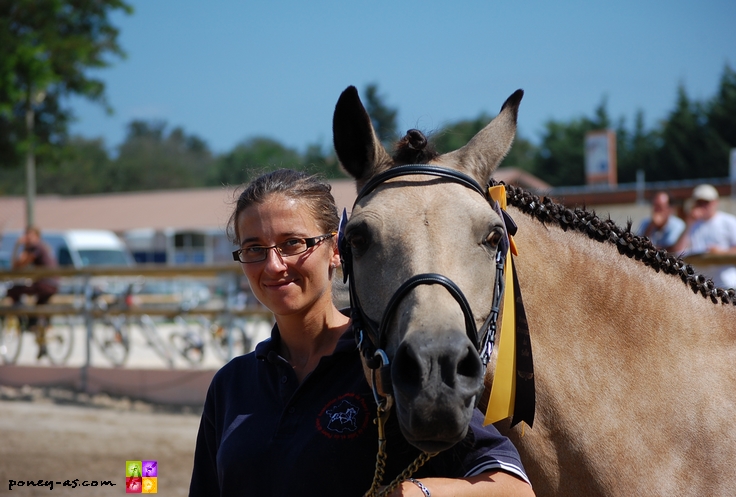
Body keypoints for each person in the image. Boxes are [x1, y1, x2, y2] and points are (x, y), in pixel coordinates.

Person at [189, 169, 535, 497]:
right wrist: (137, 479)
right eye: (254, 249)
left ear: (336, 250)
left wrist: (418, 492)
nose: (273, 265)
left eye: (292, 243)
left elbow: (513, 488)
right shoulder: (230, 384)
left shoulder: (388, 366)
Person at [672, 184, 736, 292]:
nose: (702, 206)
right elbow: (678, 251)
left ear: (715, 202)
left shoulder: (729, 221)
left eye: (706, 202)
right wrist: (689, 223)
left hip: (727, 286)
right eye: (699, 202)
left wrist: (721, 253)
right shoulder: (691, 224)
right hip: (700, 287)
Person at [7, 226, 59, 359]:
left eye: (30, 235)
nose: (28, 238)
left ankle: (22, 318)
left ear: (37, 236)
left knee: (12, 291)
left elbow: (19, 265)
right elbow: (16, 265)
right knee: (37, 312)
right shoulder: (40, 247)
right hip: (50, 284)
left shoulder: (36, 247)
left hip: (46, 284)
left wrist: (18, 245)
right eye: (26, 235)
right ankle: (42, 345)